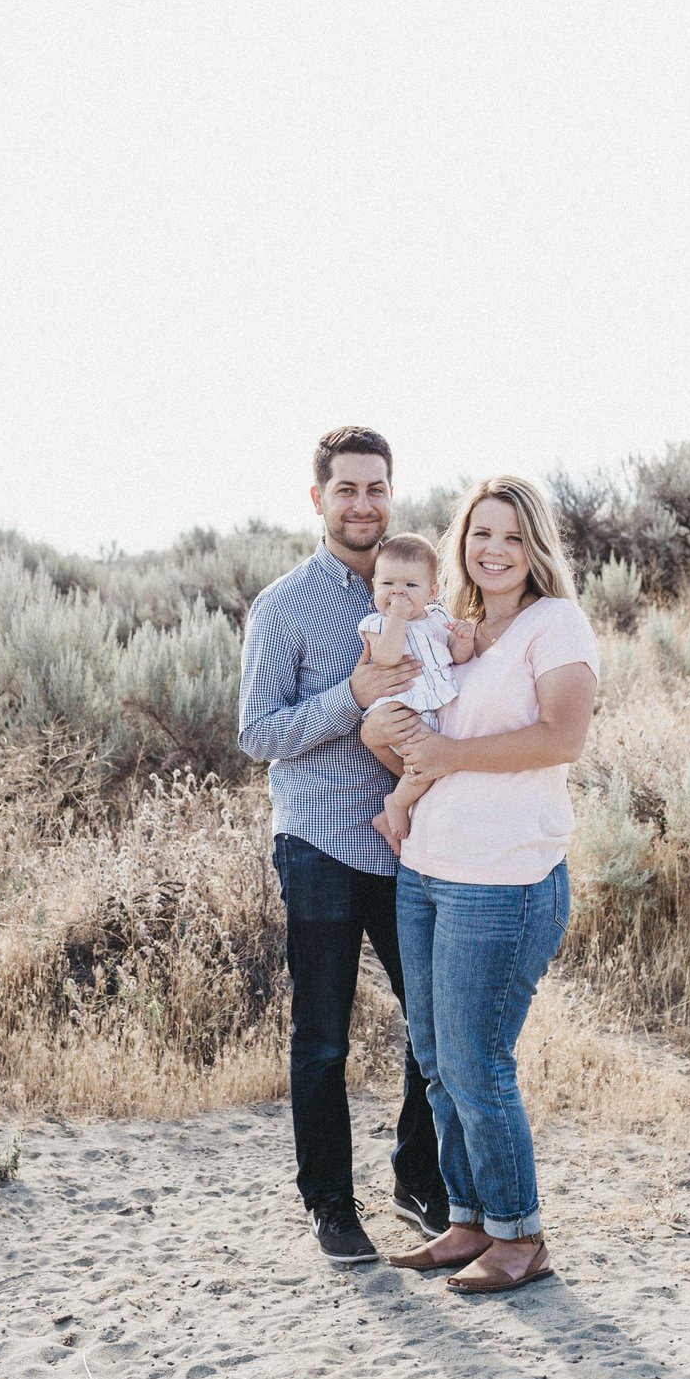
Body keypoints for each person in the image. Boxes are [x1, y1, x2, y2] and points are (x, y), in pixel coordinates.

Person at [362, 475, 600, 1296]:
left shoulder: (554, 623)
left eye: (509, 535)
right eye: (479, 534)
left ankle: (521, 1234)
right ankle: (467, 1218)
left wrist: (449, 755)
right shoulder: (453, 633)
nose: (492, 549)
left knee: (478, 1060)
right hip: (425, 868)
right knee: (434, 1058)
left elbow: (561, 736)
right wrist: (392, 739)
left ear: (534, 545)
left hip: (504, 878)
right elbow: (419, 739)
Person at [236, 427, 452, 1268]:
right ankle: (330, 1202)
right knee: (323, 1035)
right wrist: (351, 694)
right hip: (321, 839)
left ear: (391, 494)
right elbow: (258, 732)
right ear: (318, 497)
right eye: (347, 489)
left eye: (377, 488)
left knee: (429, 1019)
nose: (363, 503)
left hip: (412, 841)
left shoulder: (423, 590)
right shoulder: (283, 605)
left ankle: (417, 1177)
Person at [356, 532, 476, 850]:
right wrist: (397, 616)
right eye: (387, 585)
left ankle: (400, 810)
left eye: (410, 586)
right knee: (426, 763)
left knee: (429, 766)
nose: (398, 592)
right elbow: (387, 657)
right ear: (374, 586)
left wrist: (462, 641)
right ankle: (395, 805)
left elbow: (454, 657)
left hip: (429, 708)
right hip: (400, 710)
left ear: (432, 591)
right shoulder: (378, 623)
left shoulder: (437, 618)